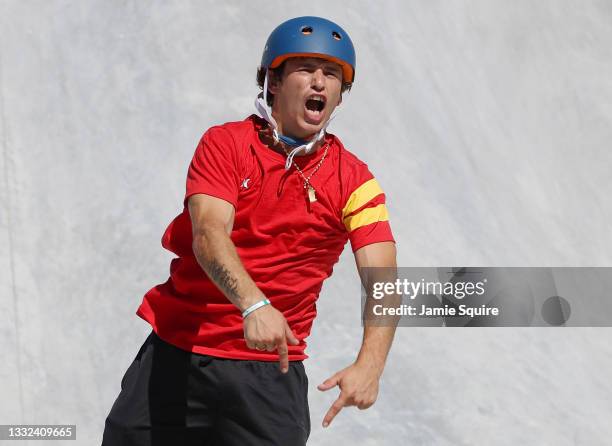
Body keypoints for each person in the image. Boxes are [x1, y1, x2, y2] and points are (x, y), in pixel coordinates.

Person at [102, 16, 398, 446]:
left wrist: (371, 365)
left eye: (332, 74)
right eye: (305, 69)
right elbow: (208, 233)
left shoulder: (355, 181)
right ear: (272, 82)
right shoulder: (226, 144)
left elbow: (383, 278)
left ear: (339, 96)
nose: (319, 82)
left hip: (269, 375)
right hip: (178, 354)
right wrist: (252, 304)